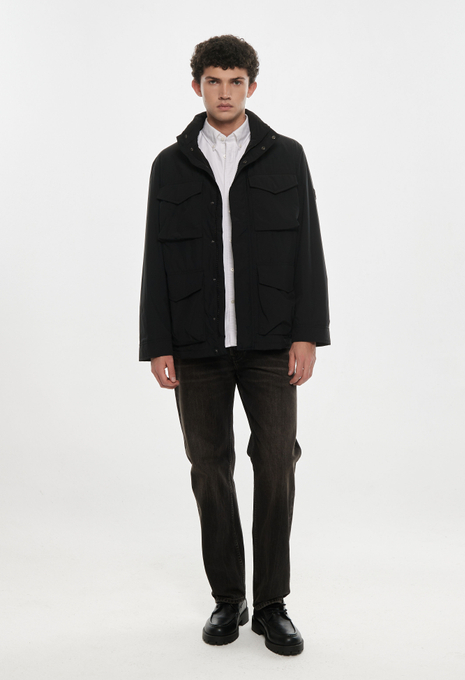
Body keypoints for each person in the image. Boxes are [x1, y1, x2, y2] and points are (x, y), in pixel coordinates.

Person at [139, 34, 330, 656]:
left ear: (252, 86)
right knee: (208, 467)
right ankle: (229, 596)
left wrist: (307, 333)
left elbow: (308, 248)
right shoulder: (170, 165)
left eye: (236, 81)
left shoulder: (287, 156)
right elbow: (155, 260)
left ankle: (271, 604)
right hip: (195, 344)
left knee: (276, 461)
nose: (225, 92)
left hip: (270, 341)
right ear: (197, 86)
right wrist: (158, 343)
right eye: (214, 81)